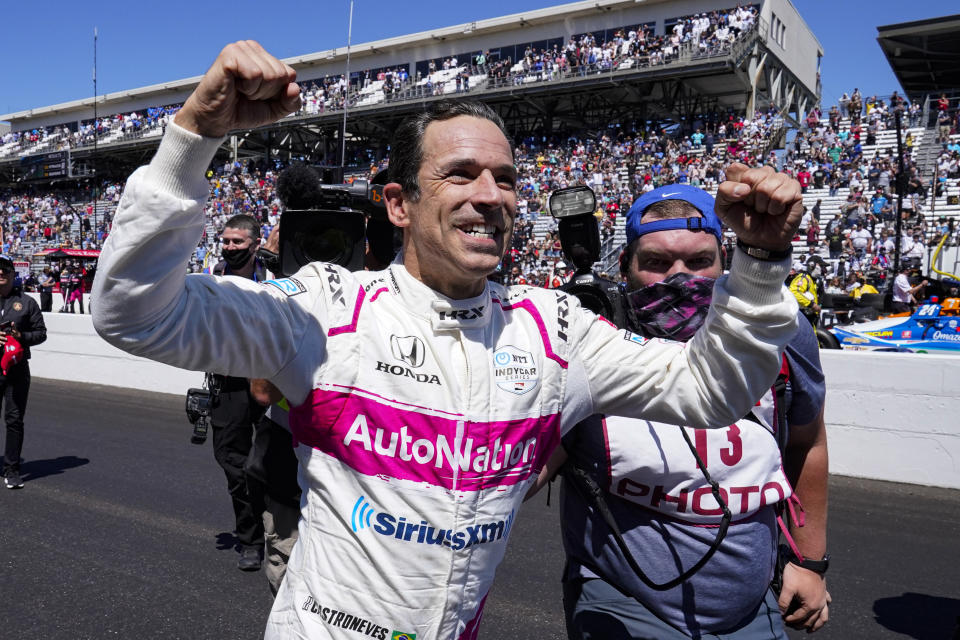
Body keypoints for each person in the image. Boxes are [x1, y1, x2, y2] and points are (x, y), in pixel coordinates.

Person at [92, 41, 801, 639]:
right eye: (459, 174)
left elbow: (716, 391)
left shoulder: (557, 328)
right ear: (399, 204)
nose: (489, 196)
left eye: (504, 179)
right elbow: (134, 313)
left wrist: (762, 265)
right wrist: (192, 139)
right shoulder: (327, 307)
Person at [534, 185, 829, 638]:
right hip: (623, 600)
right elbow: (531, 461)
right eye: (656, 262)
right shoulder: (591, 338)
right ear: (624, 267)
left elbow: (808, 443)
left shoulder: (780, 331)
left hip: (754, 606)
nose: (680, 277)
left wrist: (809, 561)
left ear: (725, 262)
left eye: (698, 262)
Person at [209, 213, 269, 571]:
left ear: (255, 244)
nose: (230, 248)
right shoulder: (212, 278)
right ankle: (250, 539)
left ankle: (275, 529)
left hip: (270, 381)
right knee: (234, 465)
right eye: (227, 242)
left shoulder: (276, 278)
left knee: (269, 463)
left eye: (238, 242)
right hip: (227, 383)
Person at [0, 255, 47, 489]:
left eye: (5, 269)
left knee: (14, 419)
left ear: (12, 273)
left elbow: (41, 333)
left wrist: (22, 337)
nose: (1, 273)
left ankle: (12, 469)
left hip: (17, 370)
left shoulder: (27, 302)